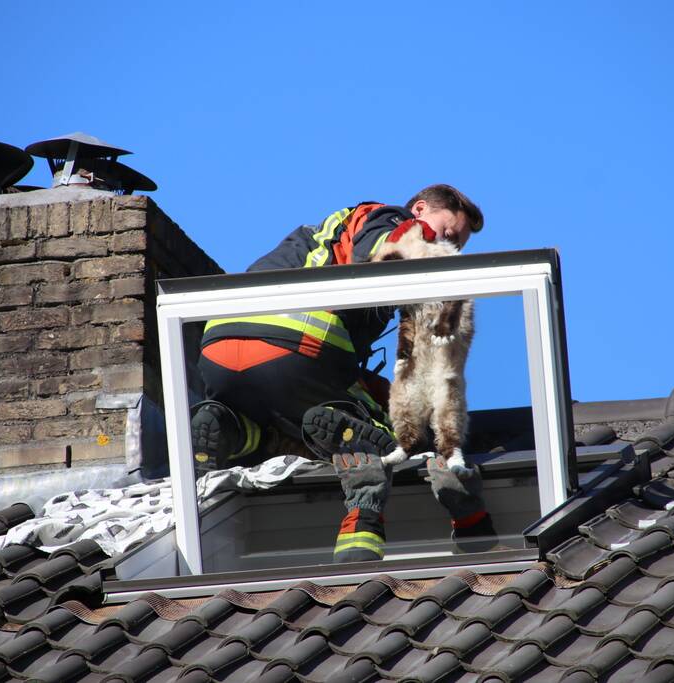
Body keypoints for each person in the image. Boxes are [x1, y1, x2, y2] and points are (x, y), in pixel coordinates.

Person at [190, 184, 498, 561]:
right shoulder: (389, 217)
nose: (450, 248)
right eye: (448, 234)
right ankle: (362, 527)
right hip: (295, 342)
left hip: (219, 346)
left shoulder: (318, 239)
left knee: (283, 427)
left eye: (458, 246)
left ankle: (231, 429)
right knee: (388, 427)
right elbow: (388, 247)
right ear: (419, 210)